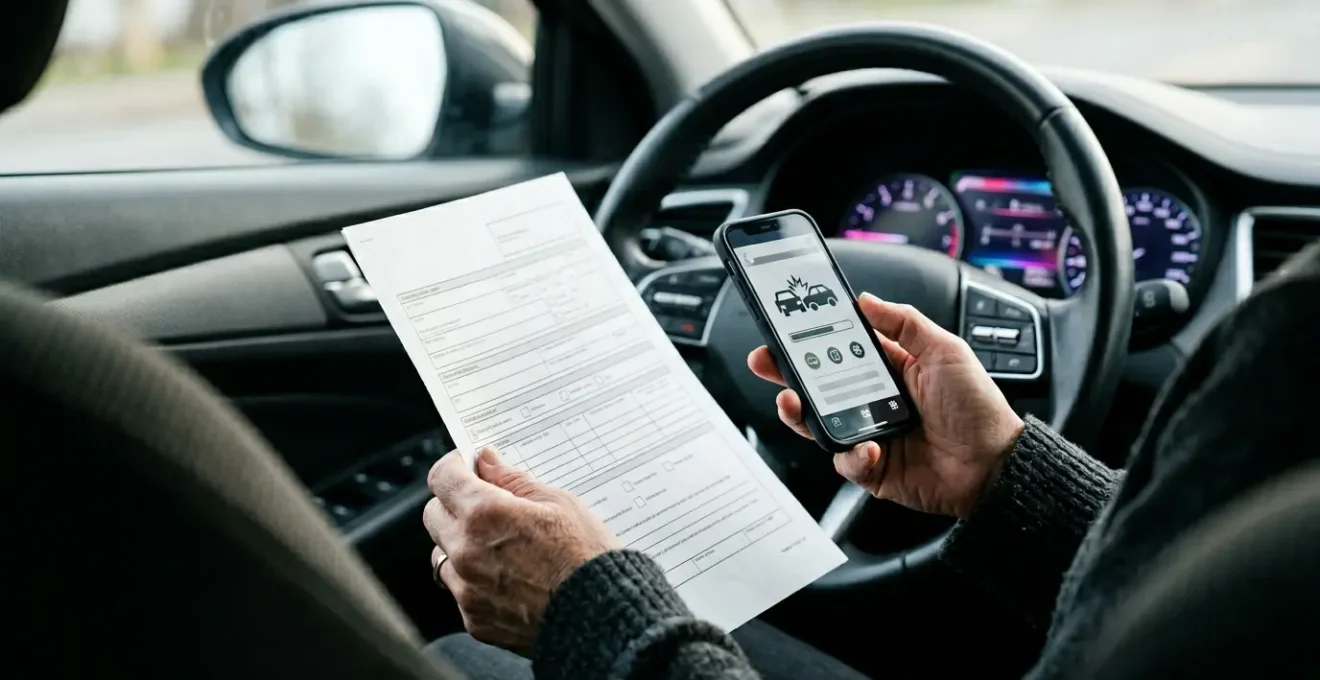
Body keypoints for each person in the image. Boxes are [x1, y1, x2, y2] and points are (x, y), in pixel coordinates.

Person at [421, 242, 1320, 680]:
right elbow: (1214, 586)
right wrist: (1009, 474)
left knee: (466, 662)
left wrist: (591, 616)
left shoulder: (1296, 333)